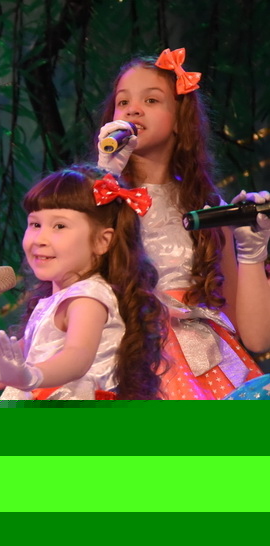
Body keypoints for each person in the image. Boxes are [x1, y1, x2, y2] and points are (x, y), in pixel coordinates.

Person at [95, 48, 264, 398]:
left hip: (199, 365)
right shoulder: (92, 196)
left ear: (179, 120)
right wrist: (103, 180)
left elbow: (256, 336)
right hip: (118, 353)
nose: (133, 110)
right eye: (123, 102)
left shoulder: (207, 208)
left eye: (151, 100)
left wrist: (254, 254)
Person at [0, 165, 164, 401]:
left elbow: (77, 356)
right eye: (35, 225)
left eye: (59, 226)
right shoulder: (54, 302)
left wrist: (32, 376)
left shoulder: (88, 297)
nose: (40, 239)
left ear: (102, 241)